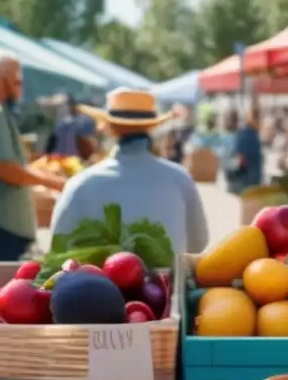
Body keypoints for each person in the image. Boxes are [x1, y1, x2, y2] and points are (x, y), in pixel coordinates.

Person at [51, 88, 208, 257]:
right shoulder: (180, 178)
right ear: (151, 127)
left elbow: (57, 249)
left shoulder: (80, 184)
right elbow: (198, 244)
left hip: (101, 282)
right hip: (168, 282)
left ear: (107, 128)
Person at [0, 54, 66, 262]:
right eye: (17, 81)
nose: (21, 87)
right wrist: (52, 182)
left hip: (1, 226)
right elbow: (6, 168)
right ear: (0, 82)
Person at [222, 109, 263, 194]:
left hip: (248, 180)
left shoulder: (251, 134)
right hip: (246, 180)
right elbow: (241, 158)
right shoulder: (247, 134)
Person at [48, 94, 96, 159]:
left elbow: (89, 144)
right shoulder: (60, 125)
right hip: (64, 160)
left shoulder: (81, 122)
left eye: (59, 107)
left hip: (74, 161)